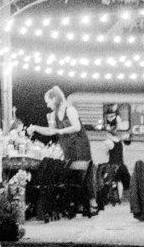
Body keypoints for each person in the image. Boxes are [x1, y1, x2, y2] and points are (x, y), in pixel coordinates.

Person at [28, 86, 96, 215]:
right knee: (70, 174)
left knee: (79, 174)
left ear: (55, 99)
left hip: (79, 146)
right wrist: (35, 128)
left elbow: (76, 127)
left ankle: (87, 202)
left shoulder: (69, 109)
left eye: (48, 101)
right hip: (67, 147)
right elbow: (50, 131)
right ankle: (74, 204)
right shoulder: (53, 114)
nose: (48, 105)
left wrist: (60, 131)